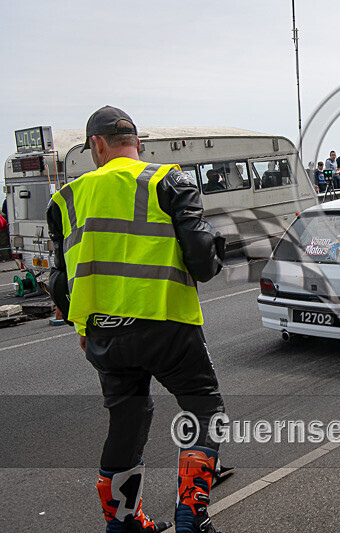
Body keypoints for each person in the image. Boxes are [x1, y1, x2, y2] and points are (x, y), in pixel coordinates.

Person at [46, 106, 226, 532]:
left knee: (126, 421)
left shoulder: (65, 199)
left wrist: (82, 326)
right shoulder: (168, 180)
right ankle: (191, 517)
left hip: (104, 337)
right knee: (204, 409)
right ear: (137, 144)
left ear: (97, 145)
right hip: (167, 326)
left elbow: (58, 281)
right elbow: (202, 261)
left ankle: (123, 523)